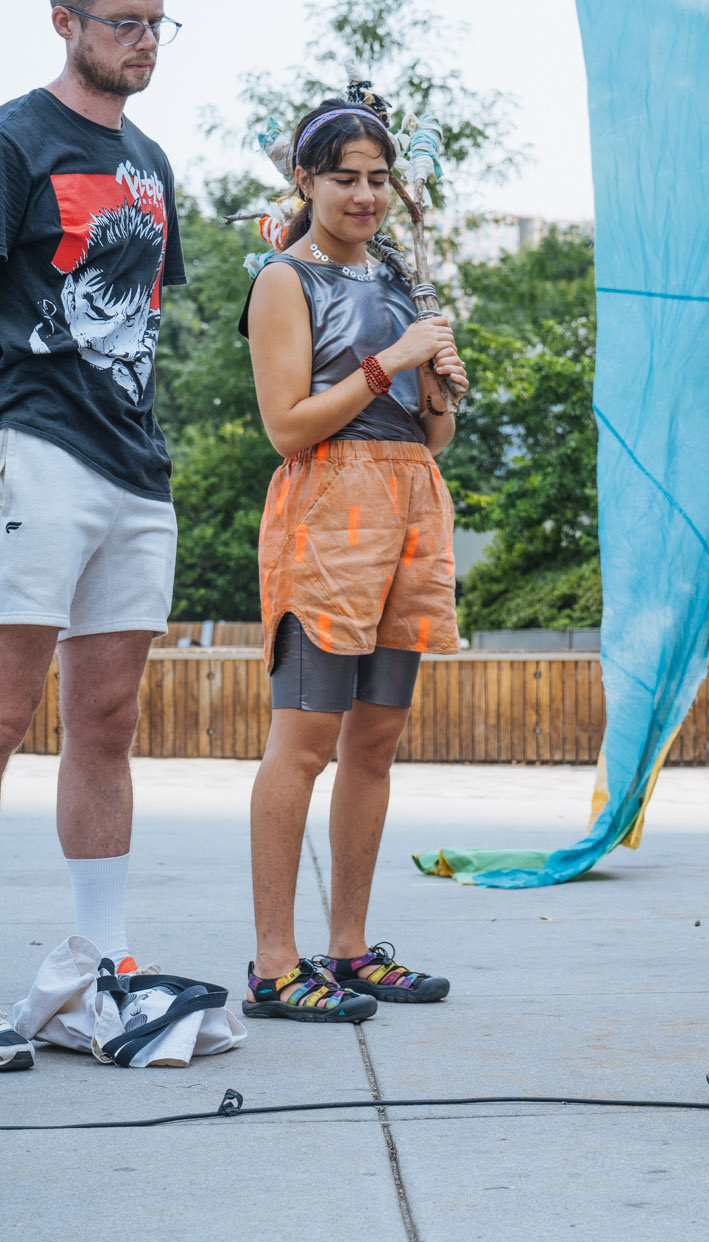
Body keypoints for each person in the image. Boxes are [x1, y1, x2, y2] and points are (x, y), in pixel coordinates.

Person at [238, 98, 468, 1023]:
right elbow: (286, 427)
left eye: (378, 178)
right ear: (307, 181)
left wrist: (438, 384)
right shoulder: (282, 282)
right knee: (304, 745)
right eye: (345, 178)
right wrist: (388, 362)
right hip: (328, 512)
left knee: (374, 744)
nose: (366, 194)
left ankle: (347, 948)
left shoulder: (400, 281)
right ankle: (271, 962)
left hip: (410, 506)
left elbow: (435, 437)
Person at [0, 0, 187, 1074]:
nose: (145, 38)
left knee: (106, 719)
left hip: (133, 466)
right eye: (122, 19)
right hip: (35, 449)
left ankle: (102, 961)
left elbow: (145, 321)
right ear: (63, 19)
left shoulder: (153, 162)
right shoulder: (16, 138)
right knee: (6, 710)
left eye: (160, 22)